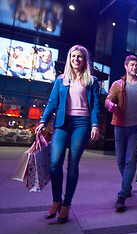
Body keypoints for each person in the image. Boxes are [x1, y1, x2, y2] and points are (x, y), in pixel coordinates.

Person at [35, 45, 100, 224]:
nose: (76, 60)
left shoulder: (92, 81)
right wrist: (43, 121)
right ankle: (57, 200)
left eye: (79, 57)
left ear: (85, 60)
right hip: (62, 124)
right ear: (69, 59)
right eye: (73, 56)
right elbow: (52, 102)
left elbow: (95, 105)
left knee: (72, 164)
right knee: (55, 162)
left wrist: (95, 124)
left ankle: (67, 204)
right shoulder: (60, 80)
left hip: (82, 124)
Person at [105, 55, 137, 211]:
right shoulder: (118, 84)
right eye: (131, 65)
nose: (134, 67)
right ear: (126, 66)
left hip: (136, 129)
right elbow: (108, 99)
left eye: (136, 65)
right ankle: (127, 184)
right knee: (120, 161)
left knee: (130, 160)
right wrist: (110, 104)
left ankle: (122, 195)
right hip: (119, 127)